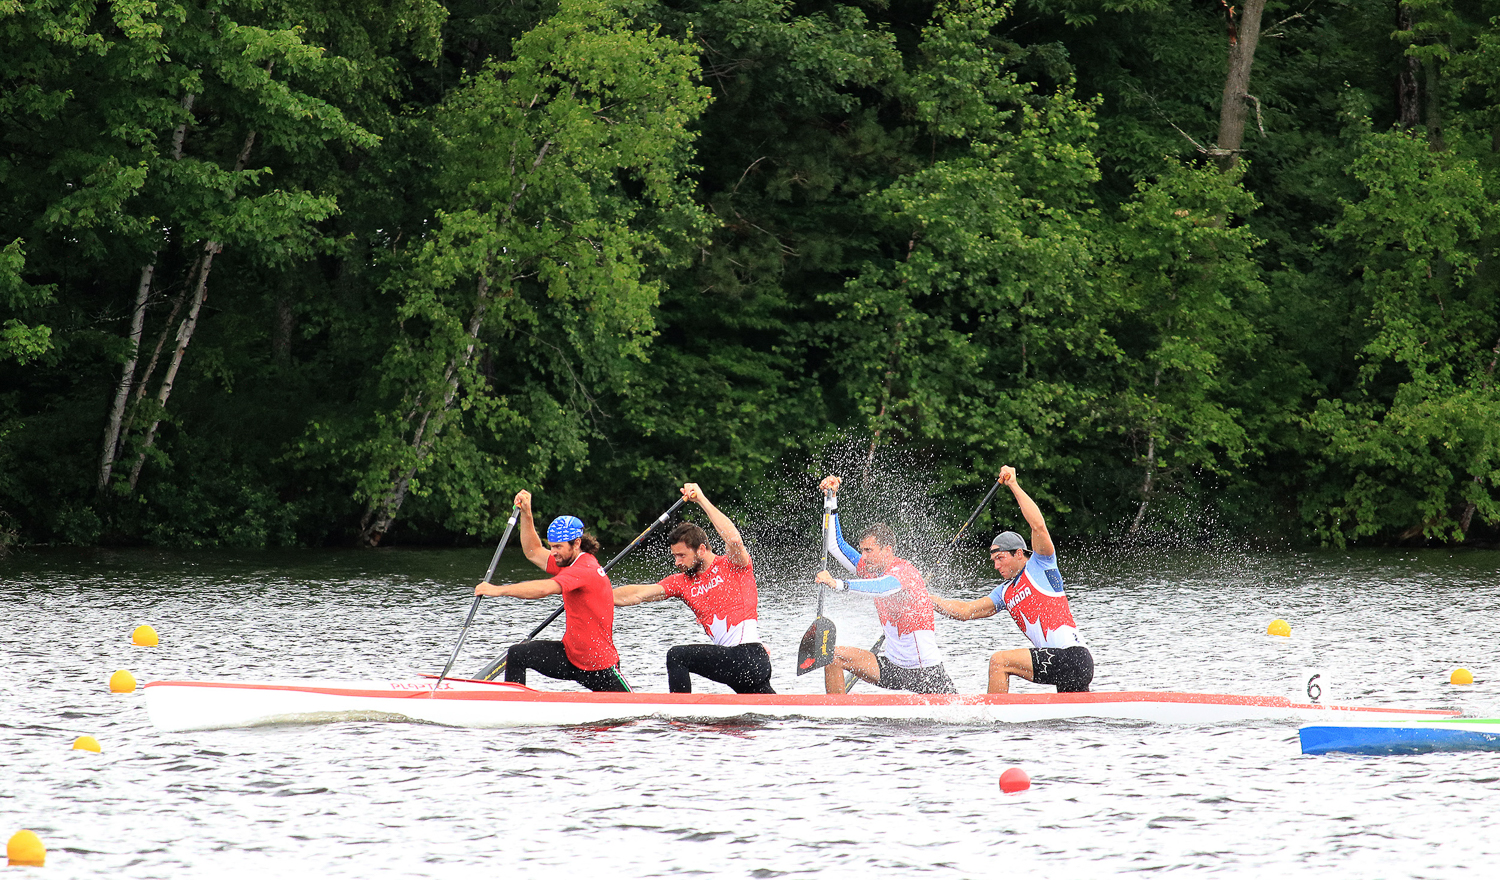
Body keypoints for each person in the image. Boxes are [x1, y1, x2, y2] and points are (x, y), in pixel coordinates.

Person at [930, 466, 1093, 694]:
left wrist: (1013, 485)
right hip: (1059, 664)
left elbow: (1038, 526)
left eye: (1000, 558)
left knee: (1000, 662)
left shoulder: (1041, 565)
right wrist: (927, 599)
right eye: (993, 560)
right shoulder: (1004, 593)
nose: (996, 566)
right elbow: (966, 611)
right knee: (1072, 725)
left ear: (1019, 553)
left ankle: (993, 723)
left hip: (1074, 657)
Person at [613, 483, 774, 694]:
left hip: (750, 657)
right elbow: (637, 594)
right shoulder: (681, 582)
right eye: (674, 556)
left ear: (701, 549)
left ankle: (679, 718)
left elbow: (733, 539)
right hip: (737, 666)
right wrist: (594, 594)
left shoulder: (733, 565)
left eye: (682, 556)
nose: (677, 562)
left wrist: (701, 500)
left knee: (677, 656)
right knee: (767, 716)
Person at [812, 475, 956, 696]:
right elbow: (835, 546)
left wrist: (838, 584)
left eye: (868, 551)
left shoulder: (904, 571)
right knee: (832, 656)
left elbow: (882, 587)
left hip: (925, 671)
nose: (863, 556)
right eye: (862, 550)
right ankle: (837, 716)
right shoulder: (869, 568)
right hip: (892, 666)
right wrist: (831, 499)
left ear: (887, 549)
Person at [475, 490, 630, 692]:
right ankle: (515, 708)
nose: (553, 552)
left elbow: (544, 588)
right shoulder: (567, 560)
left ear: (576, 543)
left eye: (557, 546)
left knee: (637, 714)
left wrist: (499, 590)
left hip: (598, 665)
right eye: (551, 546)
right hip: (570, 657)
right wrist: (527, 513)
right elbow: (533, 551)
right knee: (517, 654)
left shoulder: (585, 569)